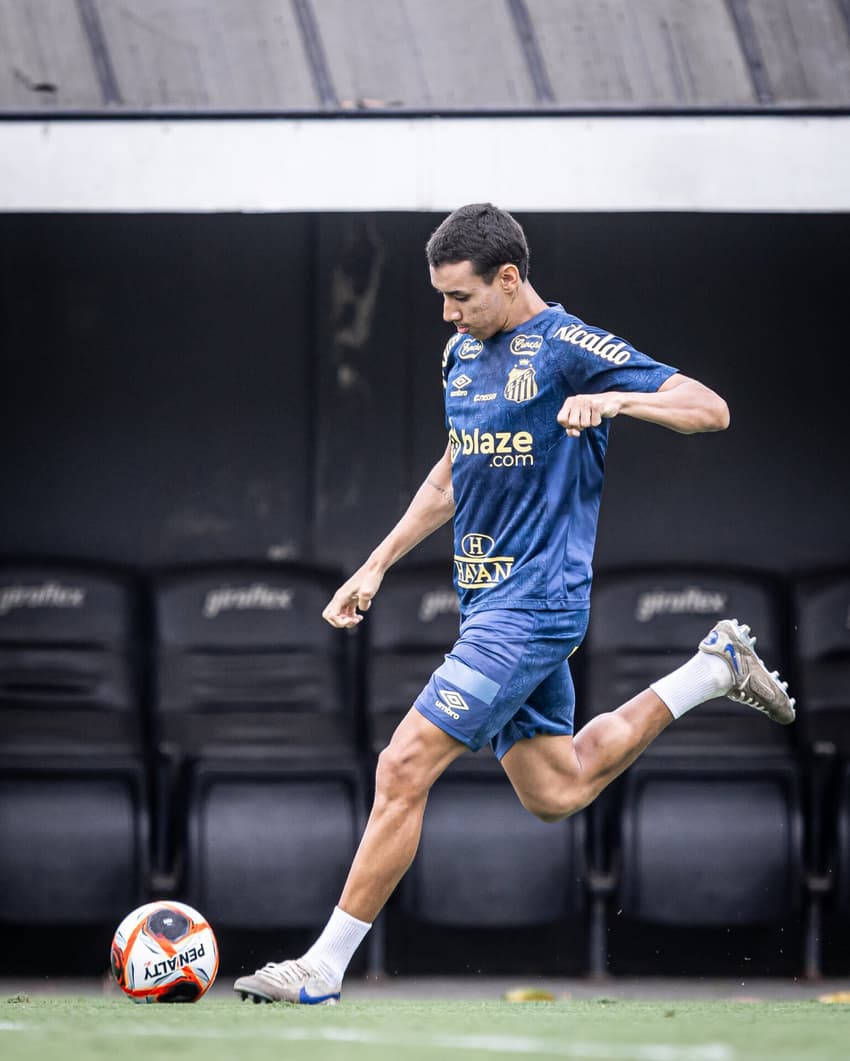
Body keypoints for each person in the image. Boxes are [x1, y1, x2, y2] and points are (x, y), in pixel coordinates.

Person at [234, 203, 795, 1005]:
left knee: (403, 762)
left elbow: (710, 408)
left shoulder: (572, 347)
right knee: (555, 790)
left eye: (460, 296)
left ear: (508, 277)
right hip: (485, 605)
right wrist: (376, 563)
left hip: (534, 608)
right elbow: (453, 471)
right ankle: (714, 670)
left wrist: (619, 403)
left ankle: (322, 964)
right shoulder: (461, 353)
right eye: (441, 297)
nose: (447, 313)